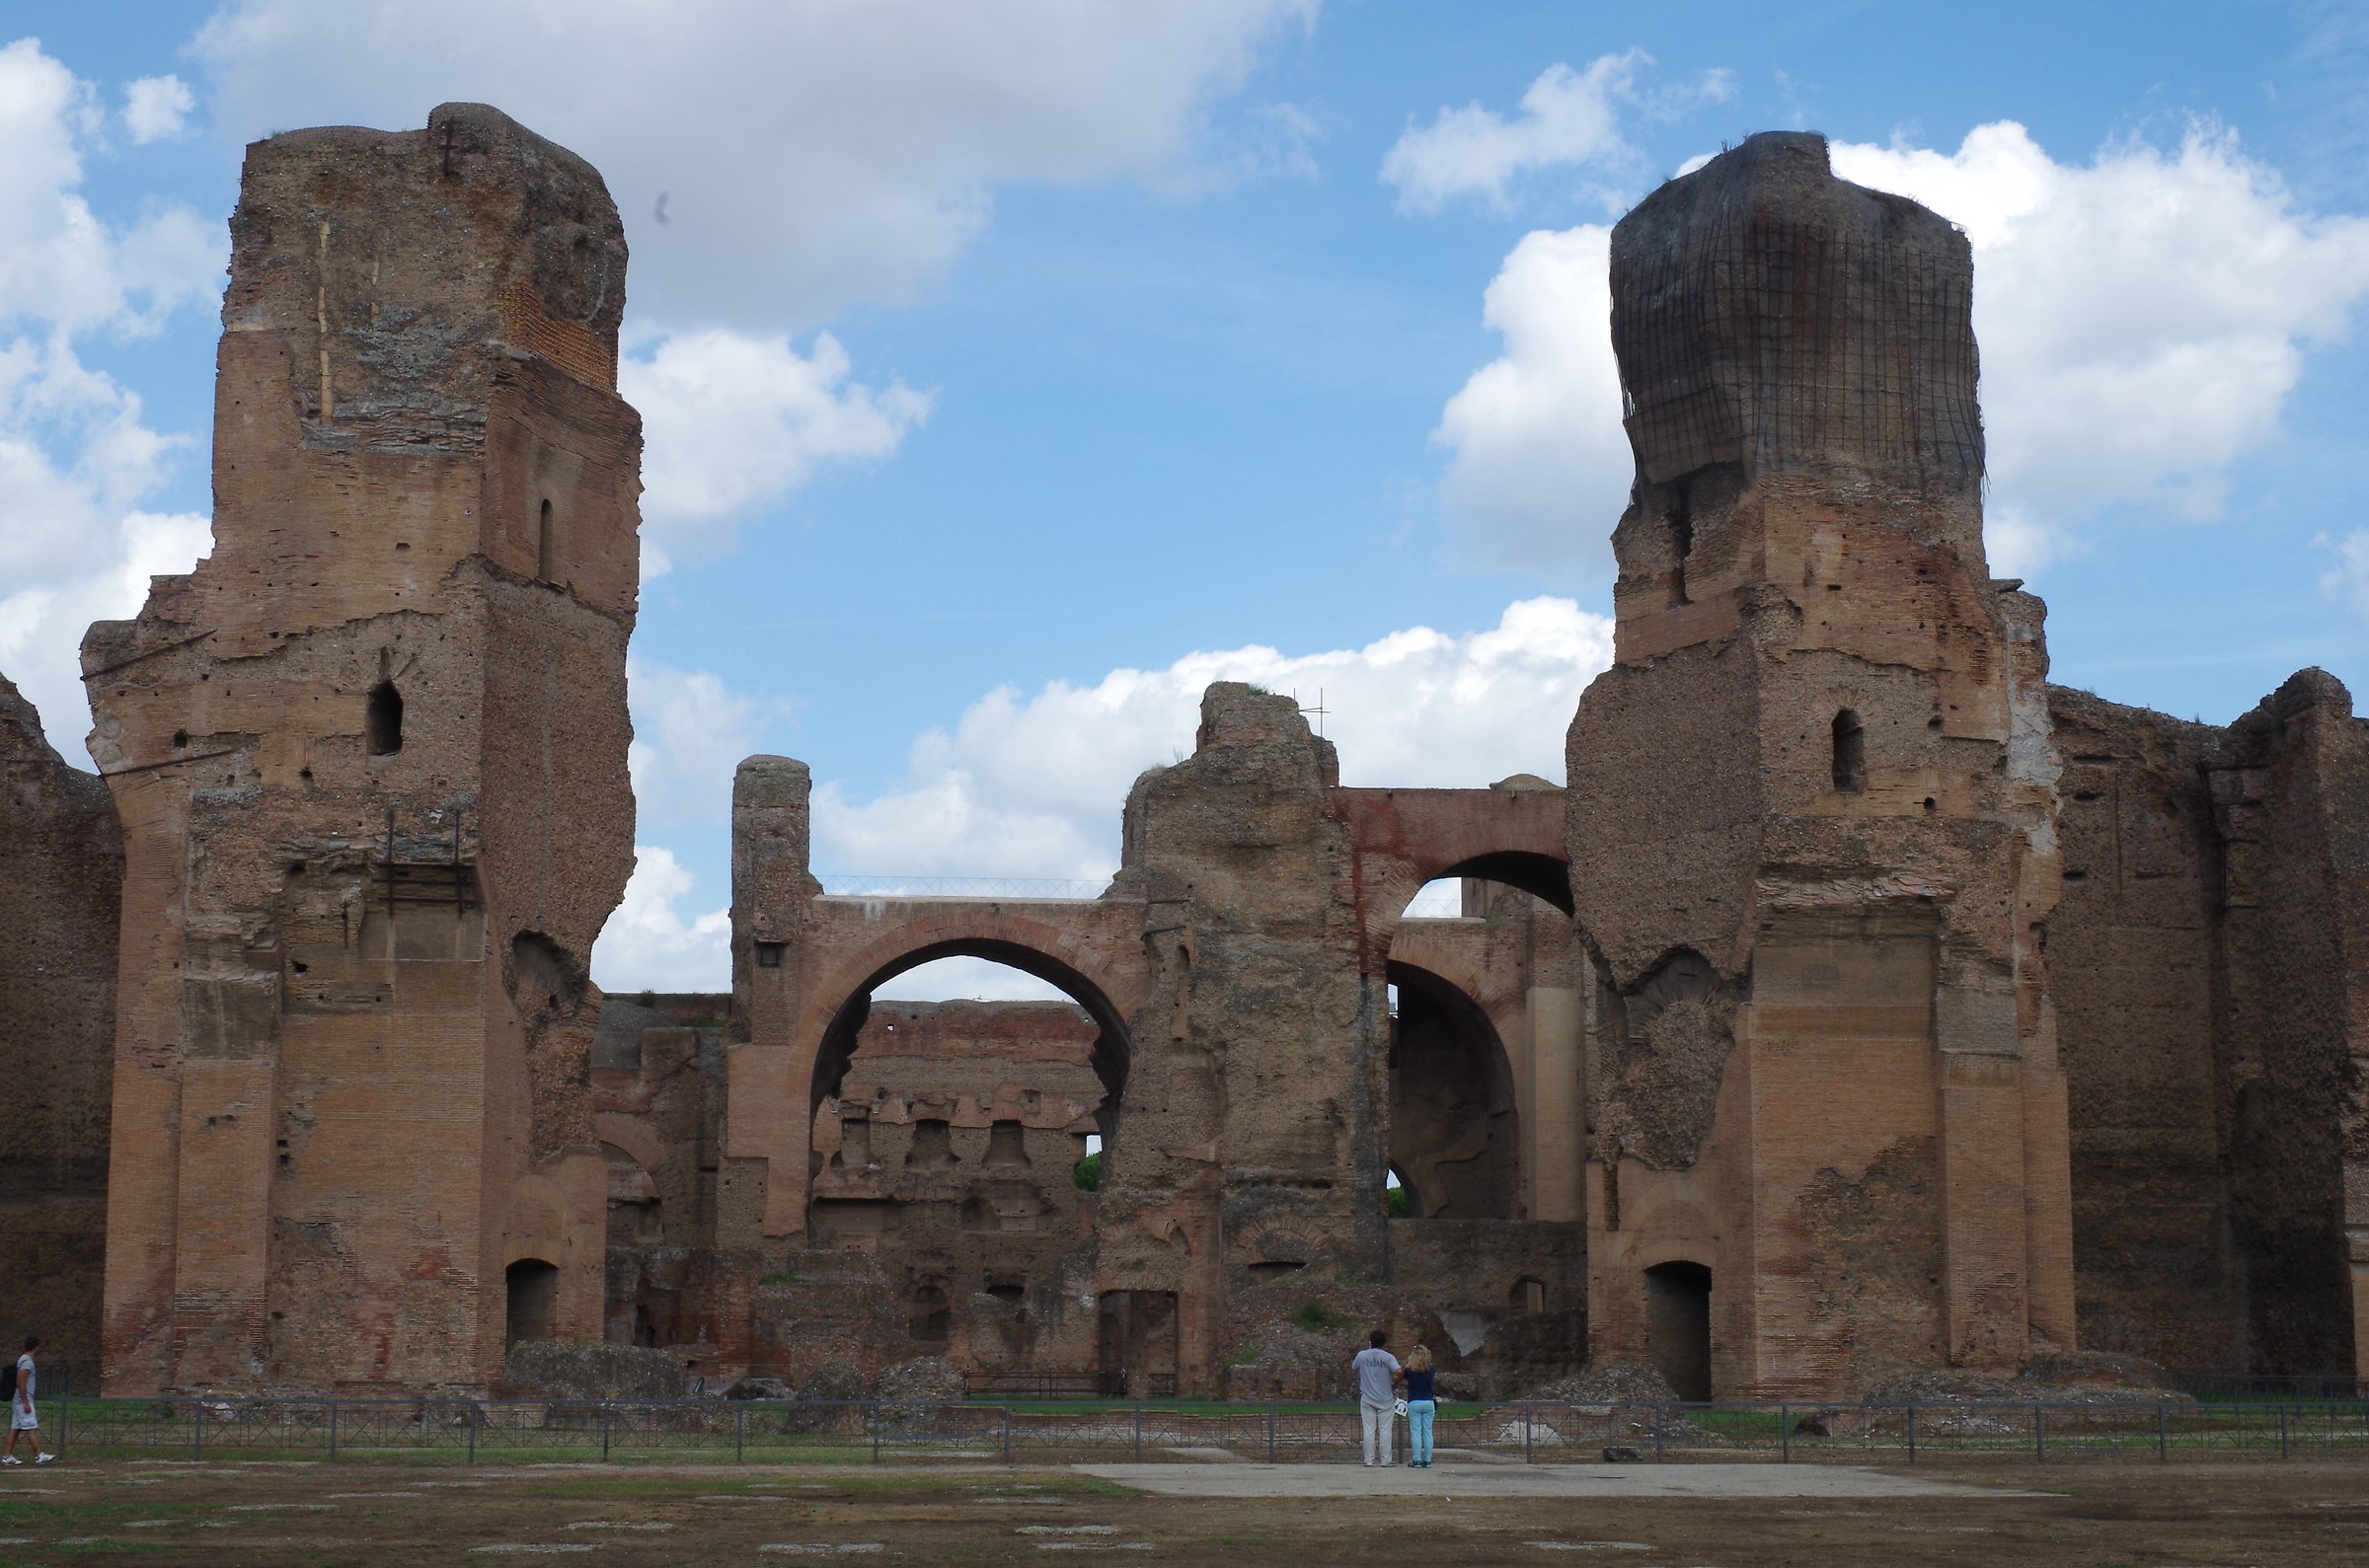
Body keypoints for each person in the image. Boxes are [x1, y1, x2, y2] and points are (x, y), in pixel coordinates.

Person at [1349, 1328, 1401, 1467]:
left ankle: (1369, 1460)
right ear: (1384, 1343)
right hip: (1385, 1397)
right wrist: (1395, 1383)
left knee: (1369, 1429)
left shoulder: (1362, 1355)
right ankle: (1385, 1460)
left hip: (1367, 1397)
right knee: (1385, 1430)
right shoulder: (1388, 1357)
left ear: (1370, 1342)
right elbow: (1399, 1371)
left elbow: (1354, 1367)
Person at [2, 1337, 51, 1465]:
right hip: (23, 1399)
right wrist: (25, 1402)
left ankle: (7, 1456)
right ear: (36, 1347)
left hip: (19, 1399)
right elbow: (21, 1383)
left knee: (16, 1428)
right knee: (31, 1426)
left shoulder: (22, 1360)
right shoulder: (27, 1363)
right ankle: (39, 1455)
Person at [1402, 1343, 1437, 1467]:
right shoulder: (1431, 1369)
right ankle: (1427, 1460)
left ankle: (1416, 1460)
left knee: (1416, 1432)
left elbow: (1402, 1375)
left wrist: (1409, 1362)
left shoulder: (1409, 1371)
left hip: (1414, 1401)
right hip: (1428, 1401)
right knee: (1428, 1432)